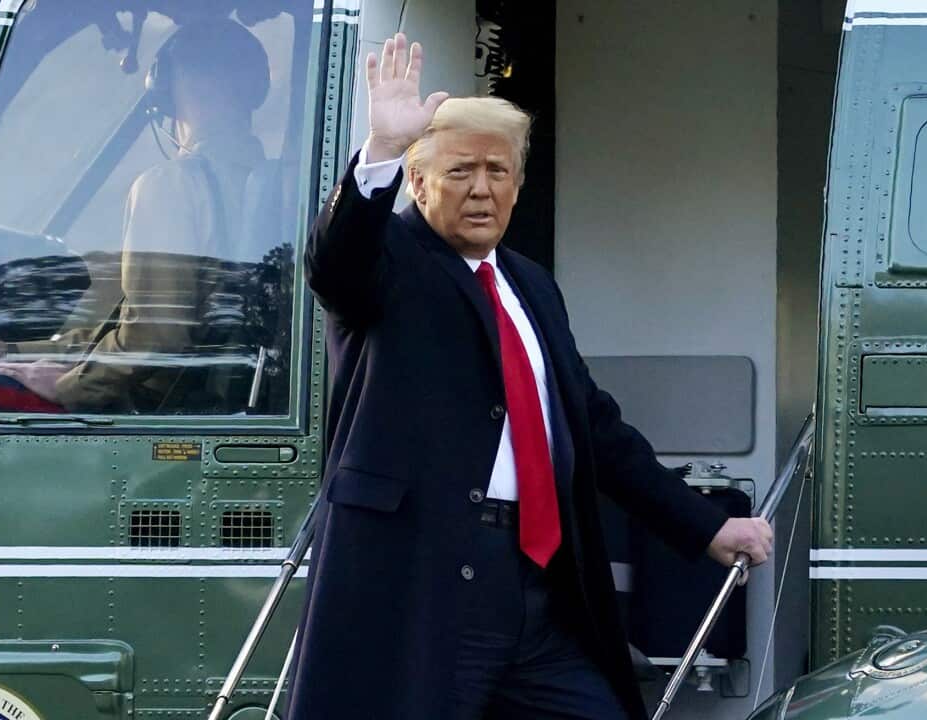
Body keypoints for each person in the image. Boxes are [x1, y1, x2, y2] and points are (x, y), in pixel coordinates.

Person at [290, 32, 775, 720]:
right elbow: (334, 264)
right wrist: (382, 156)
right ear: (420, 183)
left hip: (535, 590)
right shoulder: (390, 258)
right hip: (426, 586)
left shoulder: (530, 285)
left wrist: (706, 529)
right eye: (460, 172)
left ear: (519, 185)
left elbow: (596, 430)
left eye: (499, 171)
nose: (482, 189)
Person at [0, 19, 269, 413]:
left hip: (156, 405)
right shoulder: (271, 182)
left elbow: (156, 335)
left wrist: (71, 387)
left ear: (167, 87)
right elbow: (140, 326)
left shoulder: (170, 184)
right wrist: (13, 350)